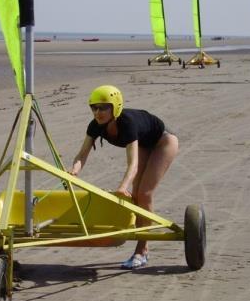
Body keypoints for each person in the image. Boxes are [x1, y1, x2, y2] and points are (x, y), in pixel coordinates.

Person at [70, 85, 179, 269]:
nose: (98, 112)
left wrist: (122, 187)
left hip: (164, 142)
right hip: (145, 143)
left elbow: (132, 165)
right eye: (94, 107)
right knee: (135, 196)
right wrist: (73, 171)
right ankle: (138, 231)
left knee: (144, 194)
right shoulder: (95, 125)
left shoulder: (127, 124)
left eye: (103, 107)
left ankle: (142, 250)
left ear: (115, 107)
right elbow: (82, 155)